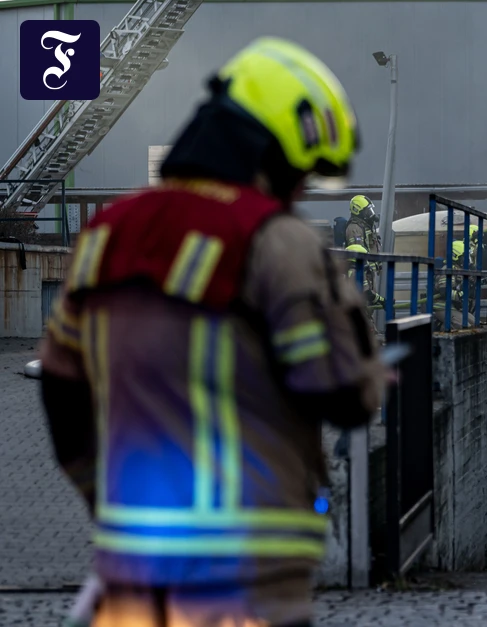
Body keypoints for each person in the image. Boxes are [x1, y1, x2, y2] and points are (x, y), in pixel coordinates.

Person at [38, 36, 387, 627]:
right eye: (300, 171)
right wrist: (371, 370)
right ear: (268, 153)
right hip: (249, 582)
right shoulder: (276, 241)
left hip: (131, 576)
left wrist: (107, 500)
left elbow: (60, 389)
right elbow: (344, 395)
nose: (302, 189)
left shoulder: (105, 234)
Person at [345, 243, 385, 310]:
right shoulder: (356, 273)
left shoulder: (342, 271)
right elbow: (367, 293)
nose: (366, 263)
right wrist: (383, 301)